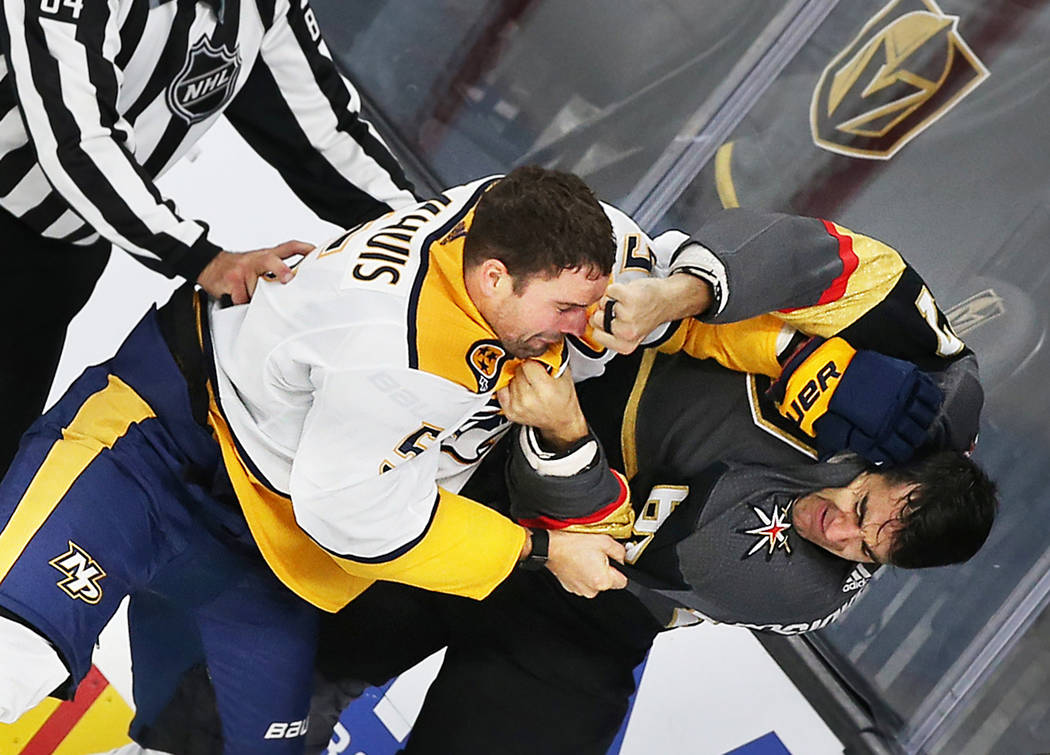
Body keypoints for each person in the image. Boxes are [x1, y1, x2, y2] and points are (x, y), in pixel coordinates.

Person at [0, 166, 720, 753]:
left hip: (263, 542)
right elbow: (354, 516)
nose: (580, 328)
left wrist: (666, 295)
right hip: (158, 451)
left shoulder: (512, 215)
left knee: (224, 742)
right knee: (14, 651)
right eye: (565, 309)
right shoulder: (397, 356)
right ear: (496, 279)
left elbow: (656, 262)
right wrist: (540, 549)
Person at [309, 209, 998, 755]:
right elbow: (825, 258)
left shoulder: (805, 587)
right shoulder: (933, 386)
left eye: (865, 549)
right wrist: (677, 296)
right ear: (891, 467)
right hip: (494, 458)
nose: (839, 529)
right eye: (863, 508)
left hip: (587, 607)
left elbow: (605, 540)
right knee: (297, 660)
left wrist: (565, 428)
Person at [0, 0, 419, 474]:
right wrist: (206, 260)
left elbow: (329, 134)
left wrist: (435, 237)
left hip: (60, 256)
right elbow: (77, 140)